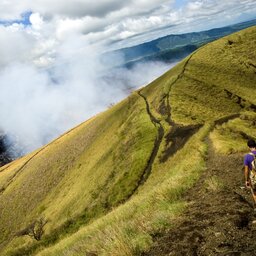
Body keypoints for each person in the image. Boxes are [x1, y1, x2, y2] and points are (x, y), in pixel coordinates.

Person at [244, 139, 256, 207]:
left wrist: (246, 180)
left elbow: (246, 170)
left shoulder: (247, 156)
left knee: (254, 193)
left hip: (254, 177)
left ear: (248, 147)